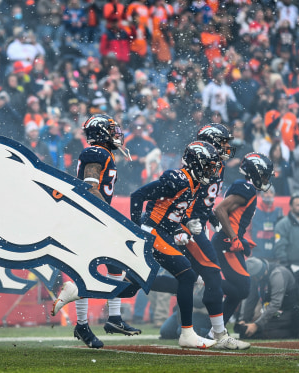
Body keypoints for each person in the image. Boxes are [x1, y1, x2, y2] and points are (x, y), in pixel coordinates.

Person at [51, 114, 140, 349]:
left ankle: (111, 319)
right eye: (111, 130)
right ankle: (96, 321)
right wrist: (107, 217)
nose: (116, 134)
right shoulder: (97, 153)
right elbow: (90, 188)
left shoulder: (105, 153)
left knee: (114, 264)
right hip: (89, 218)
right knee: (90, 269)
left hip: (90, 217)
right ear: (101, 133)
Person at [131, 141, 221, 349]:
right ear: (195, 163)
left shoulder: (194, 183)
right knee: (187, 275)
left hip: (161, 231)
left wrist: (181, 230)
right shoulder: (177, 179)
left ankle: (79, 291)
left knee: (131, 285)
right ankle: (187, 333)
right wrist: (135, 229)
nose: (210, 170)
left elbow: (170, 216)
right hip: (151, 230)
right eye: (207, 165)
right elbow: (138, 195)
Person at [179, 124, 251, 350]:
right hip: (188, 226)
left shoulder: (216, 164)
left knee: (188, 277)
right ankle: (217, 334)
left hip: (196, 223)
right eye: (224, 141)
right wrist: (188, 218)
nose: (228, 146)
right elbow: (186, 190)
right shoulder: (201, 162)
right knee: (207, 275)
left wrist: (207, 215)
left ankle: (209, 332)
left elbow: (204, 198)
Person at [212, 152, 274, 326]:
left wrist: (242, 238)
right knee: (242, 287)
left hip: (228, 240)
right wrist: (234, 237)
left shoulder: (247, 188)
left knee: (239, 290)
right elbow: (220, 210)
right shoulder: (246, 188)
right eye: (263, 175)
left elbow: (233, 218)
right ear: (255, 172)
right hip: (226, 242)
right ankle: (205, 280)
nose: (265, 179)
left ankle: (216, 331)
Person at [235, 257, 299, 339]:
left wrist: (256, 325)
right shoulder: (256, 277)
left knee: (263, 330)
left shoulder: (277, 274)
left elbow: (276, 304)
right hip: (276, 313)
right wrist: (244, 320)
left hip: (290, 312)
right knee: (248, 332)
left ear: (259, 275)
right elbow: (251, 300)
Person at [249, 186, 283, 261]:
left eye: (271, 192)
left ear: (274, 194)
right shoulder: (254, 211)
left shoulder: (279, 212)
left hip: (274, 253)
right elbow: (248, 231)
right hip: (257, 252)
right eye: (266, 192)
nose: (268, 194)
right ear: (261, 195)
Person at [275, 193, 299, 288]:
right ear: (291, 206)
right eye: (298, 205)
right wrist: (286, 266)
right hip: (292, 267)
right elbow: (280, 246)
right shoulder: (282, 224)